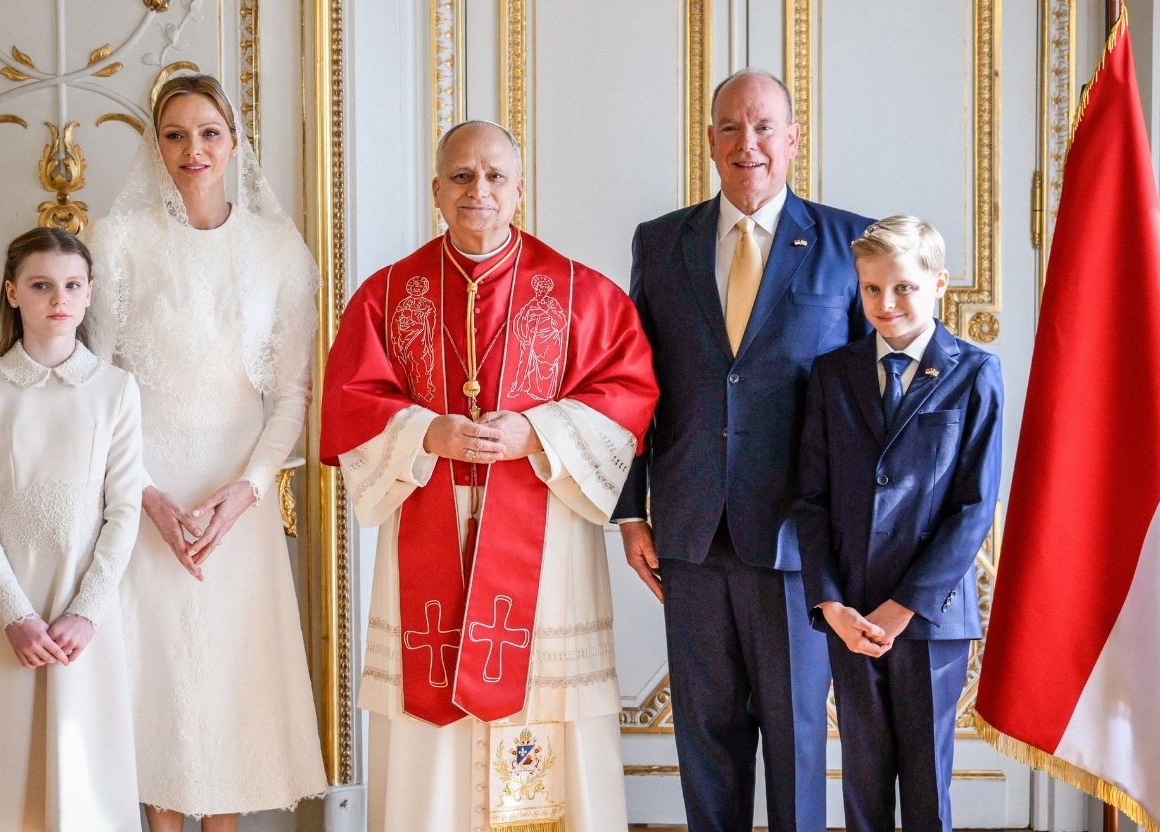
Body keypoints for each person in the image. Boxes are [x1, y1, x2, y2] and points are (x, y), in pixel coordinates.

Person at [320, 120, 658, 831]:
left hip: (546, 538)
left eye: (496, 176)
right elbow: (351, 401)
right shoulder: (388, 294)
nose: (480, 191)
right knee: (430, 706)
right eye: (463, 177)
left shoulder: (581, 294)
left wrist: (534, 430)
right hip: (428, 515)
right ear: (437, 189)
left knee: (545, 704)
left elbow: (626, 395)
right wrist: (426, 430)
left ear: (520, 189)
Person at [613, 69, 872, 832]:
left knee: (796, 742)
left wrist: (855, 538)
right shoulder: (661, 243)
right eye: (730, 127)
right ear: (710, 141)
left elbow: (865, 405)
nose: (747, 144)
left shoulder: (847, 242)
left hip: (799, 538)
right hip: (688, 535)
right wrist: (631, 513)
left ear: (793, 140)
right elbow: (635, 388)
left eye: (763, 128)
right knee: (707, 742)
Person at [88, 74, 326, 829]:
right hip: (143, 488)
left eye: (209, 133)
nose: (194, 150)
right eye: (176, 134)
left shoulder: (278, 249)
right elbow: (94, 384)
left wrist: (247, 489)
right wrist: (143, 494)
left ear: (234, 142)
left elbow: (292, 395)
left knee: (226, 679)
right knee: (154, 673)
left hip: (236, 495)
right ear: (156, 146)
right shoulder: (116, 240)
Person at [795, 216, 1002, 832]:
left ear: (938, 284)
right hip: (851, 614)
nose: (886, 304)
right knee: (861, 777)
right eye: (871, 290)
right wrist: (831, 602)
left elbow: (974, 508)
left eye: (904, 288)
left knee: (925, 780)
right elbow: (810, 500)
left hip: (931, 618)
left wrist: (905, 606)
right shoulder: (833, 374)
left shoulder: (973, 373)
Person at [0, 227, 147, 832]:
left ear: (87, 297)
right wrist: (14, 614)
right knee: (0, 761)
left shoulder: (115, 391)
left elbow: (124, 510)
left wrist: (86, 611)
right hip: (7, 603)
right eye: (41, 285)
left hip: (86, 602)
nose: (58, 298)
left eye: (72, 285)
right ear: (12, 293)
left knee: (83, 755)